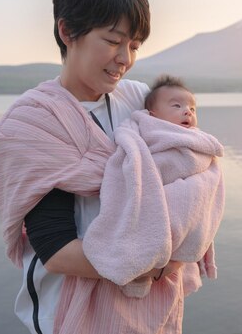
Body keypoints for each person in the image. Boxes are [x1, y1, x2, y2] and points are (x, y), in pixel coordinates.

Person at [0, 0, 188, 334]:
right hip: (71, 316)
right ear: (68, 32)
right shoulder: (33, 123)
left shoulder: (140, 101)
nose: (125, 59)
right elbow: (57, 248)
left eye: (134, 46)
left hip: (149, 313)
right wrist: (158, 263)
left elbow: (188, 168)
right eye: (113, 41)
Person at [82, 75, 224, 298]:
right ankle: (142, 256)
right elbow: (140, 166)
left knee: (191, 201)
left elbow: (207, 175)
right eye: (177, 106)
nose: (187, 111)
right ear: (153, 115)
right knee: (147, 216)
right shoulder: (145, 133)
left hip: (182, 197)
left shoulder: (198, 141)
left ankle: (165, 250)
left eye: (192, 108)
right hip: (156, 193)